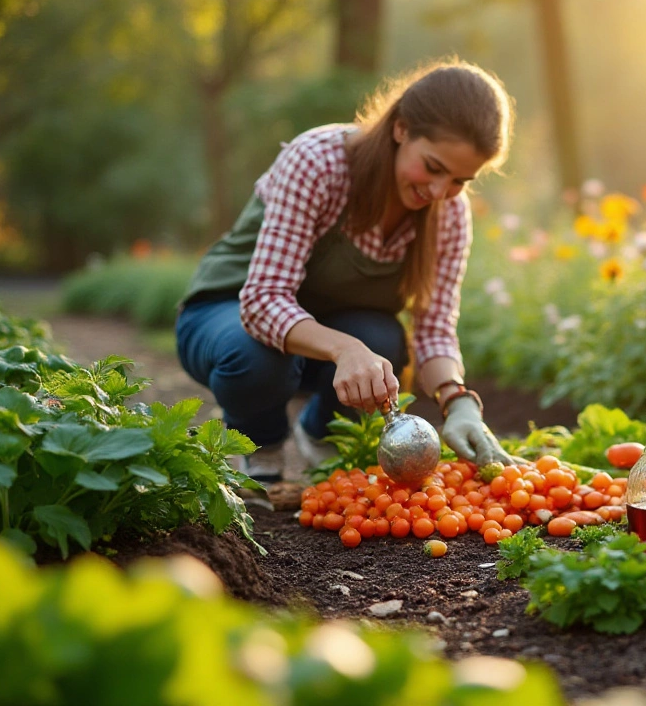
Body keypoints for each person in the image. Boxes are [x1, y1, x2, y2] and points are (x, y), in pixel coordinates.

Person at [176, 59, 518, 484]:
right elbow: (263, 301)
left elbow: (434, 328)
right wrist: (344, 349)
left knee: (384, 341)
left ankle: (321, 434)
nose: (439, 192)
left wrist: (458, 400)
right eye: (432, 167)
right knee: (259, 360)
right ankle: (259, 443)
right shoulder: (319, 161)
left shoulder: (448, 212)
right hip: (227, 317)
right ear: (401, 129)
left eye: (459, 181)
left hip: (319, 334)